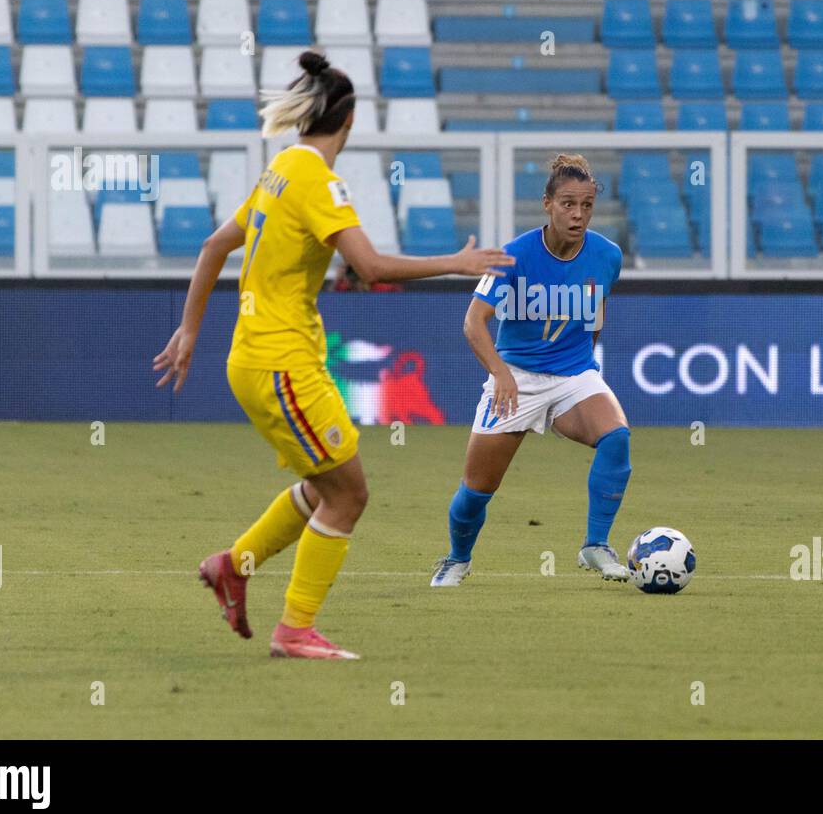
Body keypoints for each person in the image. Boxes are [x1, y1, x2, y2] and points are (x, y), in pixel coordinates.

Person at [153, 50, 513, 658]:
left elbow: (215, 244)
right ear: (347, 123)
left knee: (326, 487)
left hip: (258, 359)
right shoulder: (318, 180)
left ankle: (233, 565)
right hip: (282, 364)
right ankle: (294, 630)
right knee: (349, 495)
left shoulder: (280, 170)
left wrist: (190, 329)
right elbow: (369, 268)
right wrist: (456, 261)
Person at [430, 153, 631, 587]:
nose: (578, 215)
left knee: (616, 438)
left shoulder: (607, 256)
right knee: (476, 491)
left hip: (575, 373)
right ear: (547, 203)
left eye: (587, 206)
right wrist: (500, 373)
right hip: (516, 378)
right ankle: (457, 558)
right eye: (567, 204)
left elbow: (597, 309)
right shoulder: (513, 255)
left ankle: (595, 545)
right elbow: (473, 322)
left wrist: (584, 364)